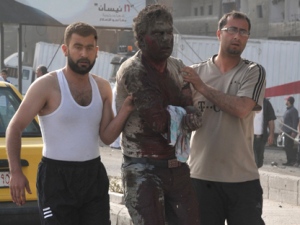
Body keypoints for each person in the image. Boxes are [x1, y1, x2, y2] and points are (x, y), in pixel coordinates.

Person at [6, 21, 133, 225]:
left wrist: (126, 109)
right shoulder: (47, 85)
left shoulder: (102, 87)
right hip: (56, 178)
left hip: (93, 176)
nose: (84, 54)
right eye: (78, 47)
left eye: (89, 48)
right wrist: (15, 172)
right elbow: (15, 127)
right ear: (66, 49)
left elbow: (108, 137)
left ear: (97, 51)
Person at [115, 4, 202, 225]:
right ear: (142, 40)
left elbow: (188, 105)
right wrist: (188, 116)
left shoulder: (177, 67)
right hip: (143, 168)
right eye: (158, 33)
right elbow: (158, 121)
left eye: (169, 32)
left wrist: (191, 113)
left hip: (176, 166)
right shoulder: (134, 71)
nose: (166, 39)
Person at [181, 11, 266, 225]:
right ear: (219, 33)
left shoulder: (253, 72)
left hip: (242, 180)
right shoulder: (195, 72)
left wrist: (200, 86)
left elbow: (241, 109)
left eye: (243, 32)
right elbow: (179, 118)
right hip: (200, 178)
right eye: (232, 30)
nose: (237, 36)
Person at [253, 98, 276, 168]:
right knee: (253, 160)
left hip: (261, 137)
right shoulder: (249, 101)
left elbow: (271, 120)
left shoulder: (266, 103)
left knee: (259, 162)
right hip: (249, 137)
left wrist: (271, 134)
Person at [281, 96, 299, 166]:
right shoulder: (288, 110)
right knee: (286, 146)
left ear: (289, 101)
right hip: (286, 131)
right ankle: (289, 160)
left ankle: (292, 161)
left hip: (290, 132)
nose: (285, 101)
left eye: (286, 100)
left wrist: (294, 132)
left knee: (289, 146)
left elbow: (295, 122)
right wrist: (282, 129)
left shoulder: (293, 110)